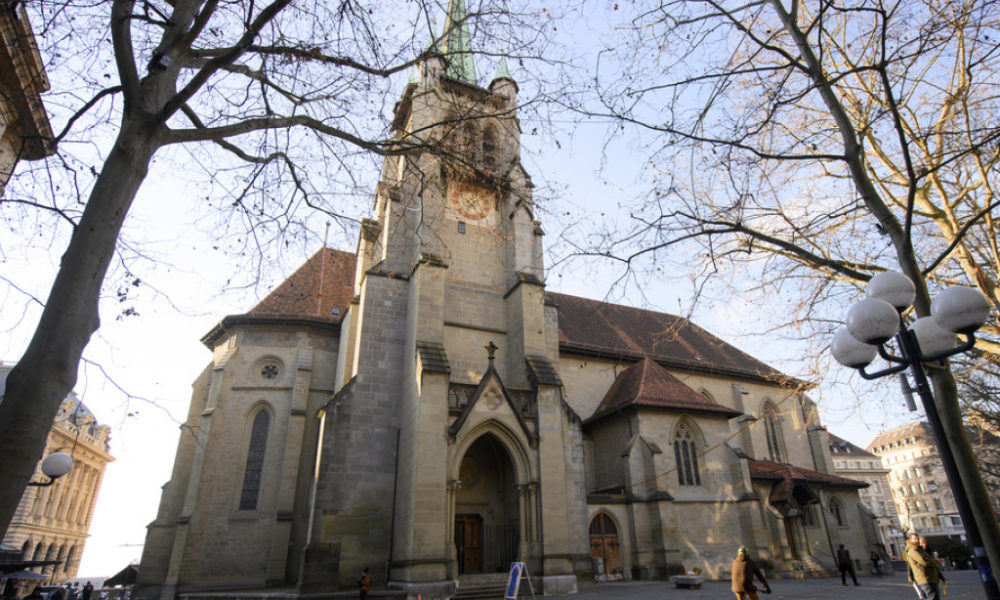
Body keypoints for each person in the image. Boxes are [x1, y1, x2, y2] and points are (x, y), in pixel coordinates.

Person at [906, 535, 941, 600]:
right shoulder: (914, 550)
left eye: (917, 539)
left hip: (930, 577)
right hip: (924, 577)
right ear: (910, 540)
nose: (917, 540)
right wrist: (936, 561)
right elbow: (924, 562)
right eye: (915, 539)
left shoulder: (922, 550)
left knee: (933, 596)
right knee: (930, 596)